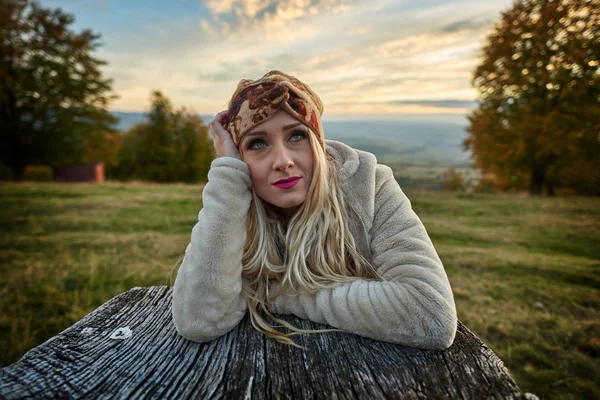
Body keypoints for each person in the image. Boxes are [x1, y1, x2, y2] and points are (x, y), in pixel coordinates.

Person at [172, 71, 457, 350]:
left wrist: (276, 294)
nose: (283, 161)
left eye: (296, 136)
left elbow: (431, 314)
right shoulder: (235, 207)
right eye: (257, 143)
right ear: (240, 157)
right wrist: (228, 179)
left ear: (318, 144)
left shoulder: (370, 187)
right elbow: (198, 322)